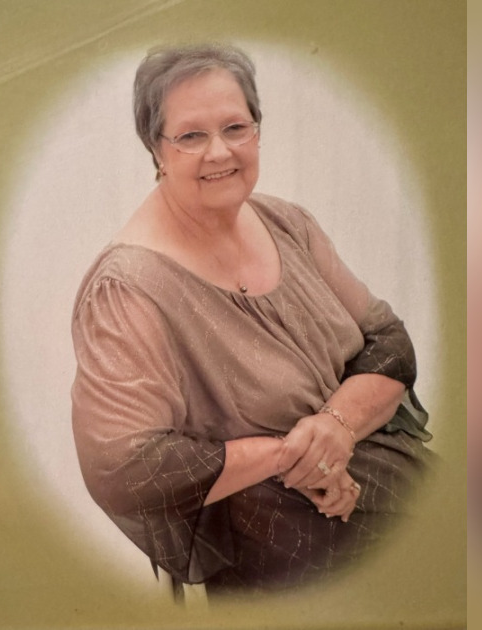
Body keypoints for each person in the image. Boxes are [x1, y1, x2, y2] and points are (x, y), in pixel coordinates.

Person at [70, 43, 431, 593]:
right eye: (191, 136)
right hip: (290, 564)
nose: (220, 152)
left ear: (257, 130)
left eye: (236, 127)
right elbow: (125, 470)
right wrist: (293, 457)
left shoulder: (288, 223)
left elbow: (390, 343)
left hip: (395, 495)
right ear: (155, 148)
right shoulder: (127, 290)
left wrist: (335, 428)